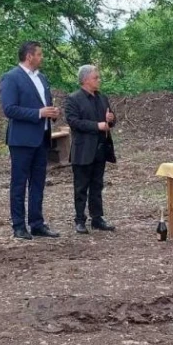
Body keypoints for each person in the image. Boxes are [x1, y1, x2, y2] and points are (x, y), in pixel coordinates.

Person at [0, 41, 61, 240]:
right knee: (19, 183)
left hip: (42, 137)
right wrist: (38, 113)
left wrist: (52, 112)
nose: (41, 58)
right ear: (29, 56)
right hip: (22, 139)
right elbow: (9, 109)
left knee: (38, 183)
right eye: (39, 54)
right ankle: (18, 225)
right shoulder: (11, 78)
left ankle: (36, 223)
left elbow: (46, 104)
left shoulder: (41, 78)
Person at [65, 65, 117, 234]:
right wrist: (97, 125)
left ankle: (97, 218)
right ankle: (80, 219)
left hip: (101, 148)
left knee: (97, 185)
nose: (99, 80)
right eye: (96, 77)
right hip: (83, 150)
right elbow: (74, 122)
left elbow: (110, 121)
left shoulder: (102, 98)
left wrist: (111, 119)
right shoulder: (73, 99)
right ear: (86, 79)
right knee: (81, 186)